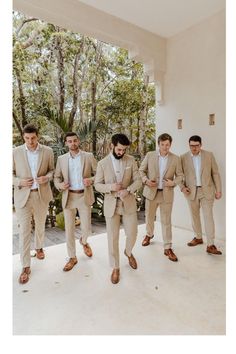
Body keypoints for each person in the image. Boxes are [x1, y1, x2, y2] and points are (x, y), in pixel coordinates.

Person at [94, 134, 142, 284]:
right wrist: (111, 187)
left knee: (133, 233)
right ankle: (115, 267)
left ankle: (128, 252)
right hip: (111, 205)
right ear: (112, 146)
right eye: (119, 149)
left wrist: (128, 190)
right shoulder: (102, 163)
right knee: (112, 237)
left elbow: (139, 180)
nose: (121, 152)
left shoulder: (131, 160)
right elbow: (97, 184)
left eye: (124, 150)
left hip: (127, 201)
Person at [13, 124, 54, 284]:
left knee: (40, 225)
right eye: (27, 138)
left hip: (41, 195)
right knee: (24, 230)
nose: (30, 141)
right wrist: (20, 181)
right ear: (23, 137)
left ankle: (39, 247)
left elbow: (52, 170)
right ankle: (25, 266)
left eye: (33, 138)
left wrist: (47, 178)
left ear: (38, 136)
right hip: (23, 197)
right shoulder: (15, 152)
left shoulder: (48, 151)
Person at [54, 132, 97, 271]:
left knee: (87, 228)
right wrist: (60, 185)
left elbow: (99, 174)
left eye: (74, 140)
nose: (72, 143)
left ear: (78, 141)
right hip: (69, 197)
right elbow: (56, 177)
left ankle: (84, 242)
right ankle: (72, 257)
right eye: (69, 141)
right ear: (66, 143)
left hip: (84, 196)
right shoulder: (61, 159)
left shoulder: (88, 156)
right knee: (69, 229)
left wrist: (91, 180)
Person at [139, 133, 183, 262]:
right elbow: (141, 170)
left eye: (167, 144)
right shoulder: (150, 155)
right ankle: (149, 234)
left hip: (166, 194)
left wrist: (173, 183)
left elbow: (180, 175)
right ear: (158, 144)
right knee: (149, 217)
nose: (165, 147)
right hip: (151, 192)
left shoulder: (175, 159)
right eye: (162, 144)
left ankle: (168, 247)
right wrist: (146, 180)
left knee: (166, 221)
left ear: (170, 144)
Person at [180, 135, 222, 255]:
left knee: (208, 217)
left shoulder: (209, 155)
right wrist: (182, 188)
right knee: (194, 216)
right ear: (189, 145)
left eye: (196, 145)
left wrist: (218, 190)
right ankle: (198, 237)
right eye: (191, 146)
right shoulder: (183, 157)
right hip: (191, 192)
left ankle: (211, 244)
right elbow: (179, 175)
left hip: (206, 191)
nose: (194, 148)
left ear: (201, 145)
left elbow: (215, 173)